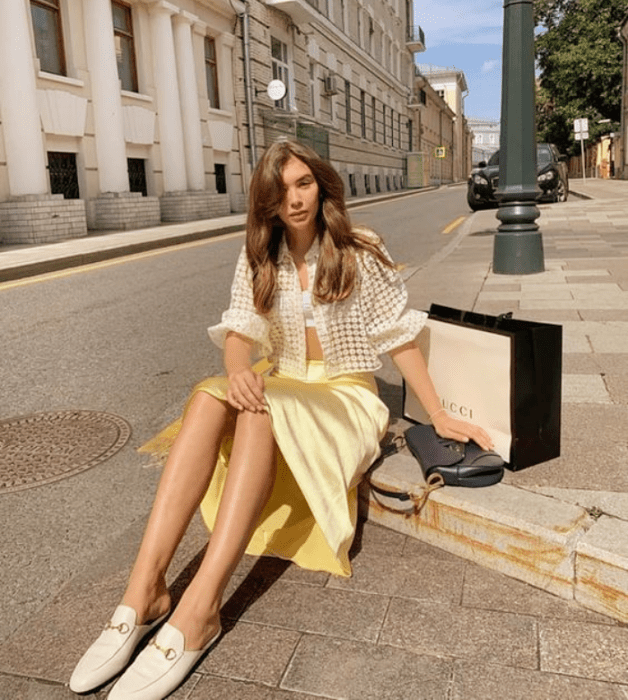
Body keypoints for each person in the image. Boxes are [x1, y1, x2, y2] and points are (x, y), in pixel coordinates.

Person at [70, 140, 493, 700]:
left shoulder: (360, 249)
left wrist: (437, 413)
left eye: (304, 184)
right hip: (287, 379)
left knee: (262, 408)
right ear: (265, 202)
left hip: (345, 394)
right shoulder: (259, 256)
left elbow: (397, 336)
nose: (295, 200)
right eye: (281, 190)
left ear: (321, 185)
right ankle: (142, 590)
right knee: (208, 398)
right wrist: (237, 365)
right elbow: (241, 327)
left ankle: (201, 607)